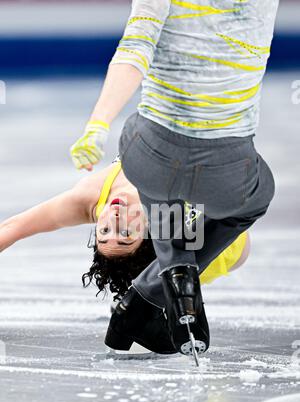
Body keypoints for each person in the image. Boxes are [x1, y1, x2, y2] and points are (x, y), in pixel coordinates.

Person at [70, 0, 277, 361]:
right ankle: (154, 291)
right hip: (227, 175)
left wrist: (97, 125)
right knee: (258, 195)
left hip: (151, 155)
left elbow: (133, 49)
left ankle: (170, 279)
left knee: (157, 174)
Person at [0, 160, 250, 353]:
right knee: (181, 259)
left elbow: (13, 227)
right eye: (126, 233)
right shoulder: (170, 220)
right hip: (229, 248)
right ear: (150, 232)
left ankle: (138, 300)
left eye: (104, 231)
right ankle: (149, 299)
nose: (114, 218)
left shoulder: (89, 198)